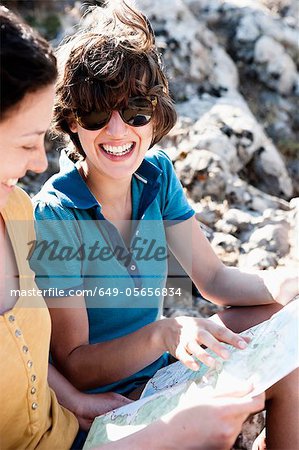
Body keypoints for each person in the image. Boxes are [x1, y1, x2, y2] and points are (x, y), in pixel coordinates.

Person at [28, 1, 298, 449]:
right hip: (107, 408)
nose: (117, 131)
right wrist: (165, 334)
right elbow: (74, 364)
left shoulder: (157, 175)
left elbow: (213, 279)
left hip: (156, 377)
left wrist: (287, 285)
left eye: (135, 110)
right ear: (73, 121)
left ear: (155, 115)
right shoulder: (57, 214)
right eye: (97, 114)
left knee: (285, 329)